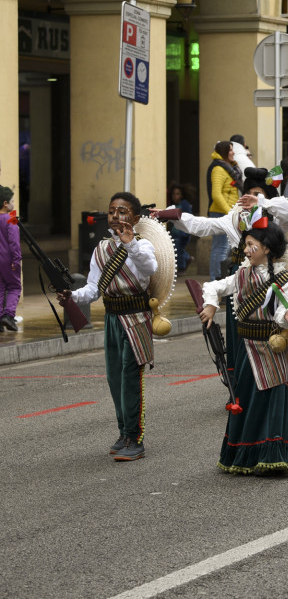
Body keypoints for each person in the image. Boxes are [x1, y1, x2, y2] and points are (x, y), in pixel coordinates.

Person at [166, 169, 288, 408]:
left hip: (269, 281)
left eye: (255, 194)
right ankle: (240, 389)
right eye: (246, 195)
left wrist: (261, 200)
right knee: (240, 335)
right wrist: (168, 214)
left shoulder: (275, 218)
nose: (249, 200)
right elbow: (199, 225)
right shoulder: (233, 219)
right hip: (241, 281)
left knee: (273, 333)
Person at [57, 193, 158, 461]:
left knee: (129, 378)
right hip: (113, 318)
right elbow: (93, 288)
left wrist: (130, 244)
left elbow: (151, 266)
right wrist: (72, 297)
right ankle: (124, 432)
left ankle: (136, 438)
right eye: (112, 211)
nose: (115, 216)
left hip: (136, 319)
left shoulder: (143, 245)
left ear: (135, 219)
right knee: (114, 378)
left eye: (122, 212)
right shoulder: (101, 249)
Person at [199, 222, 288, 475]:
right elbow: (213, 287)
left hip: (271, 348)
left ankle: (272, 457)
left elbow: (280, 312)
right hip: (245, 350)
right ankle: (244, 456)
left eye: (249, 245)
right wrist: (211, 304)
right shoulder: (242, 275)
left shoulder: (286, 280)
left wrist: (286, 316)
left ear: (266, 248)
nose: (245, 250)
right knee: (246, 401)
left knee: (270, 401)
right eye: (245, 244)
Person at [207, 140, 241, 280]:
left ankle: (219, 280)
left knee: (225, 248)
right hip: (221, 213)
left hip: (227, 213)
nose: (233, 152)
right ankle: (216, 280)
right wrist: (229, 212)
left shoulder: (228, 168)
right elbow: (216, 194)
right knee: (220, 248)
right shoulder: (218, 169)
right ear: (224, 152)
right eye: (230, 150)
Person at [0, 184, 21, 331]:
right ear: (5, 203)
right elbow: (14, 242)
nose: (14, 204)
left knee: (0, 288)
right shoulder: (11, 220)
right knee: (14, 287)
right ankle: (8, 315)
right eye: (12, 201)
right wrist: (17, 259)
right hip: (8, 259)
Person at [167, 184, 193, 273]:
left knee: (178, 249)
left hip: (182, 232)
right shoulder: (173, 205)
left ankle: (181, 267)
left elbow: (189, 218)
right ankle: (187, 258)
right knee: (176, 249)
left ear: (181, 195)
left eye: (177, 194)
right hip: (174, 232)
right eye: (173, 194)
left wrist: (186, 233)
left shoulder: (184, 204)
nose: (175, 196)